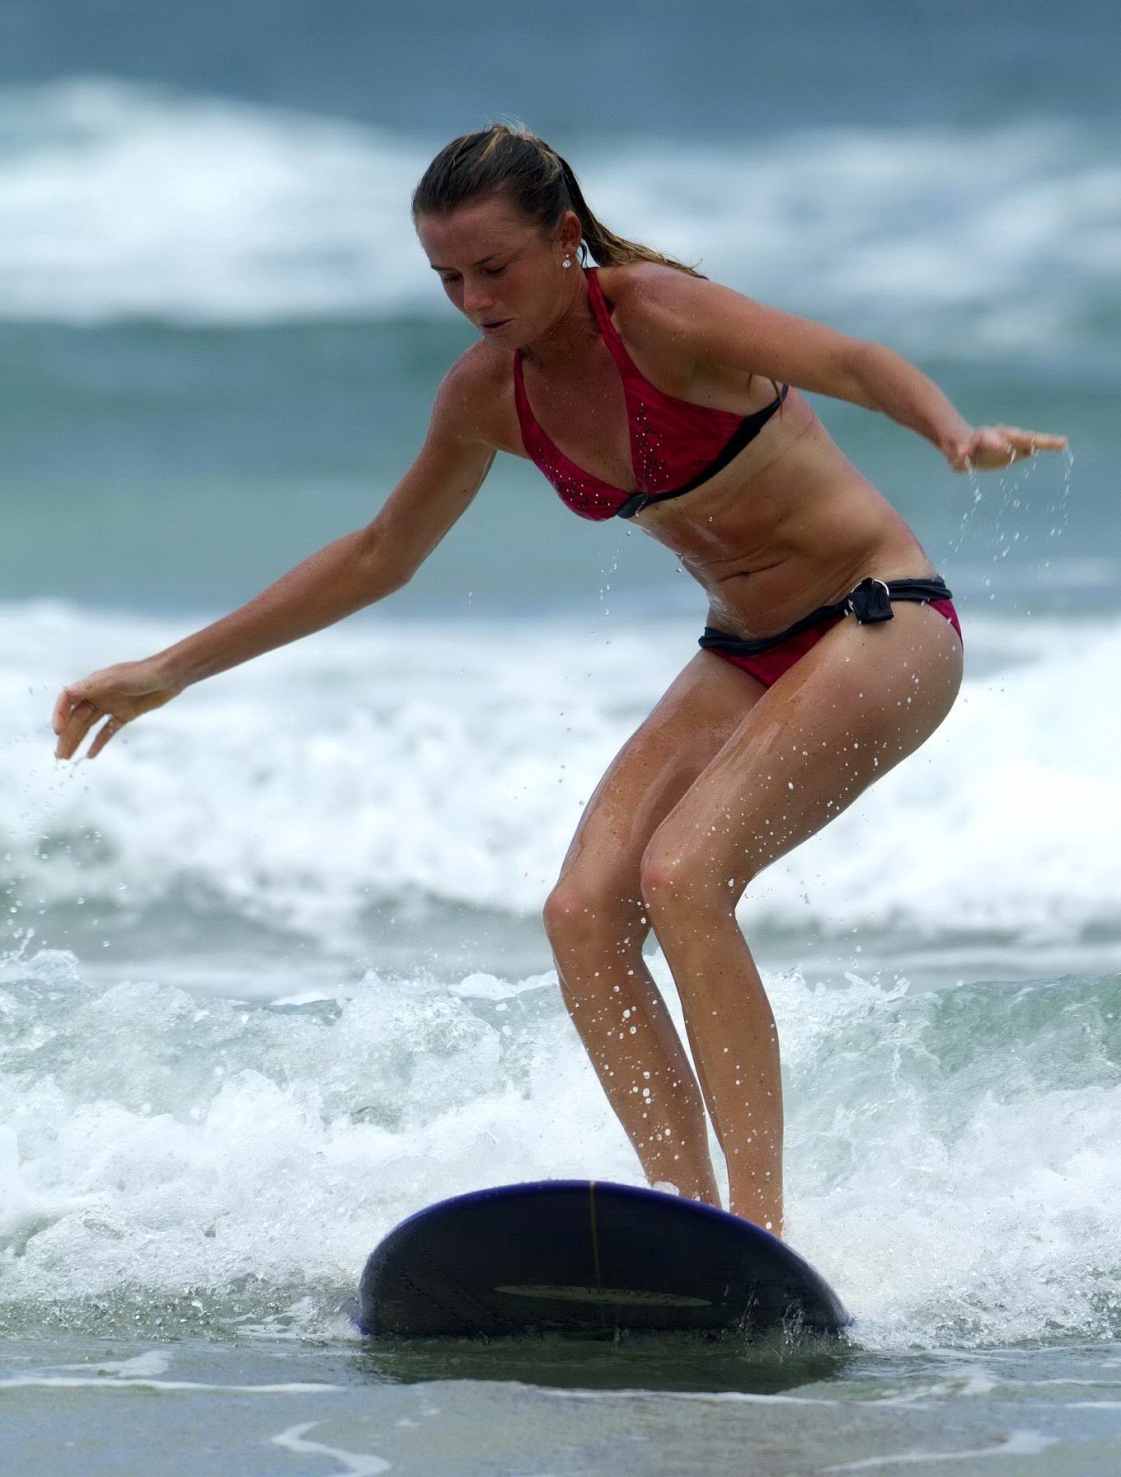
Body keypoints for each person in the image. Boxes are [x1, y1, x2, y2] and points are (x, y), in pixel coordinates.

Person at [52, 124, 1065, 1235]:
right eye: (447, 277)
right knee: (581, 913)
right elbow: (380, 553)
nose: (473, 297)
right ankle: (686, 1226)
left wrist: (949, 432)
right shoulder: (488, 395)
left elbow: (852, 362)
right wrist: (170, 670)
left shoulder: (663, 319)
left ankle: (762, 1232)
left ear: (564, 238)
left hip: (883, 621)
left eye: (494, 267)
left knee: (682, 875)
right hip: (741, 650)